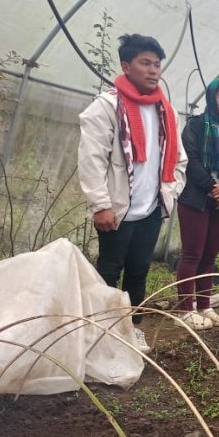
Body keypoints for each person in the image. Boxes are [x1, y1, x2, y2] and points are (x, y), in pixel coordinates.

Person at [78, 34, 186, 354]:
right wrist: (101, 205)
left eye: (157, 64)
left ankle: (133, 327)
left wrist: (170, 192)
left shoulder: (167, 111)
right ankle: (100, 331)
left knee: (139, 271)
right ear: (126, 66)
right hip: (117, 211)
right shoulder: (107, 106)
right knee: (108, 272)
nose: (153, 70)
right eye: (145, 63)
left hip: (150, 208)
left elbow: (179, 160)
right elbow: (91, 159)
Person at [176, 78, 219, 330]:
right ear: (212, 98)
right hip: (196, 199)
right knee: (192, 254)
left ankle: (204, 306)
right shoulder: (195, 125)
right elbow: (191, 160)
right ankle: (185, 310)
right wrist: (213, 188)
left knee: (209, 256)